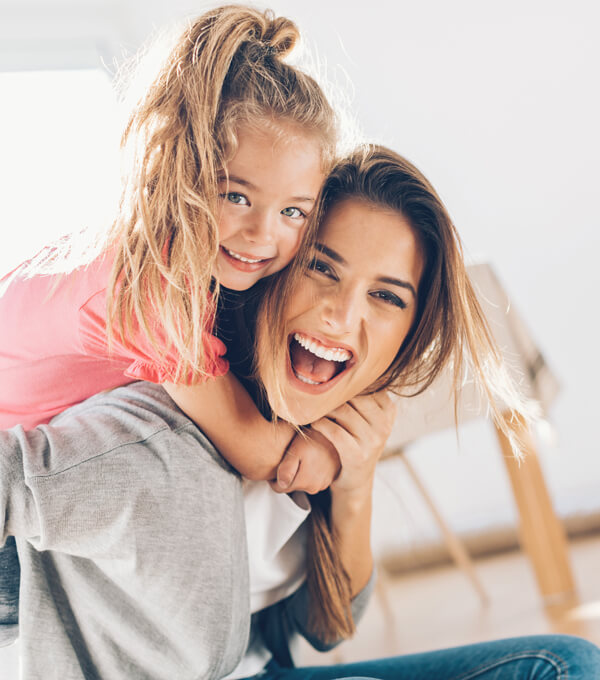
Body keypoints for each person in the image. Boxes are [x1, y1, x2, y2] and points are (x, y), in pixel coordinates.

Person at [2, 146, 599, 678]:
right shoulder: (155, 435)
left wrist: (355, 484)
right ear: (272, 267)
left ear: (407, 336)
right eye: (321, 267)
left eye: (386, 296)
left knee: (562, 666)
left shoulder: (318, 434)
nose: (342, 314)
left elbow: (324, 626)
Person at [0, 4, 344, 647]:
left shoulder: (155, 257)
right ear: (179, 169)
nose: (261, 234)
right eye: (235, 195)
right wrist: (337, 446)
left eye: (294, 212)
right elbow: (254, 450)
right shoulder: (153, 286)